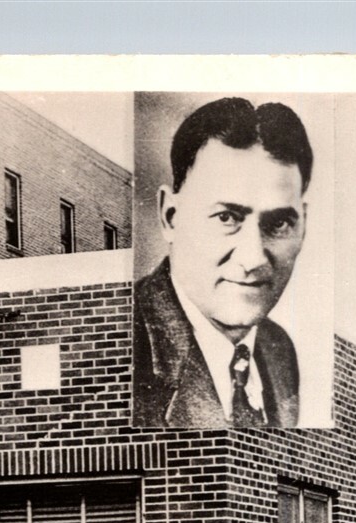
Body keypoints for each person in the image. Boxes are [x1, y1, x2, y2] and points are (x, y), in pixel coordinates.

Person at [134, 97, 313, 428]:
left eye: (278, 224)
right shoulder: (125, 345)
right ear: (170, 216)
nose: (253, 258)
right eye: (226, 217)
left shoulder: (279, 349)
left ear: (303, 225)